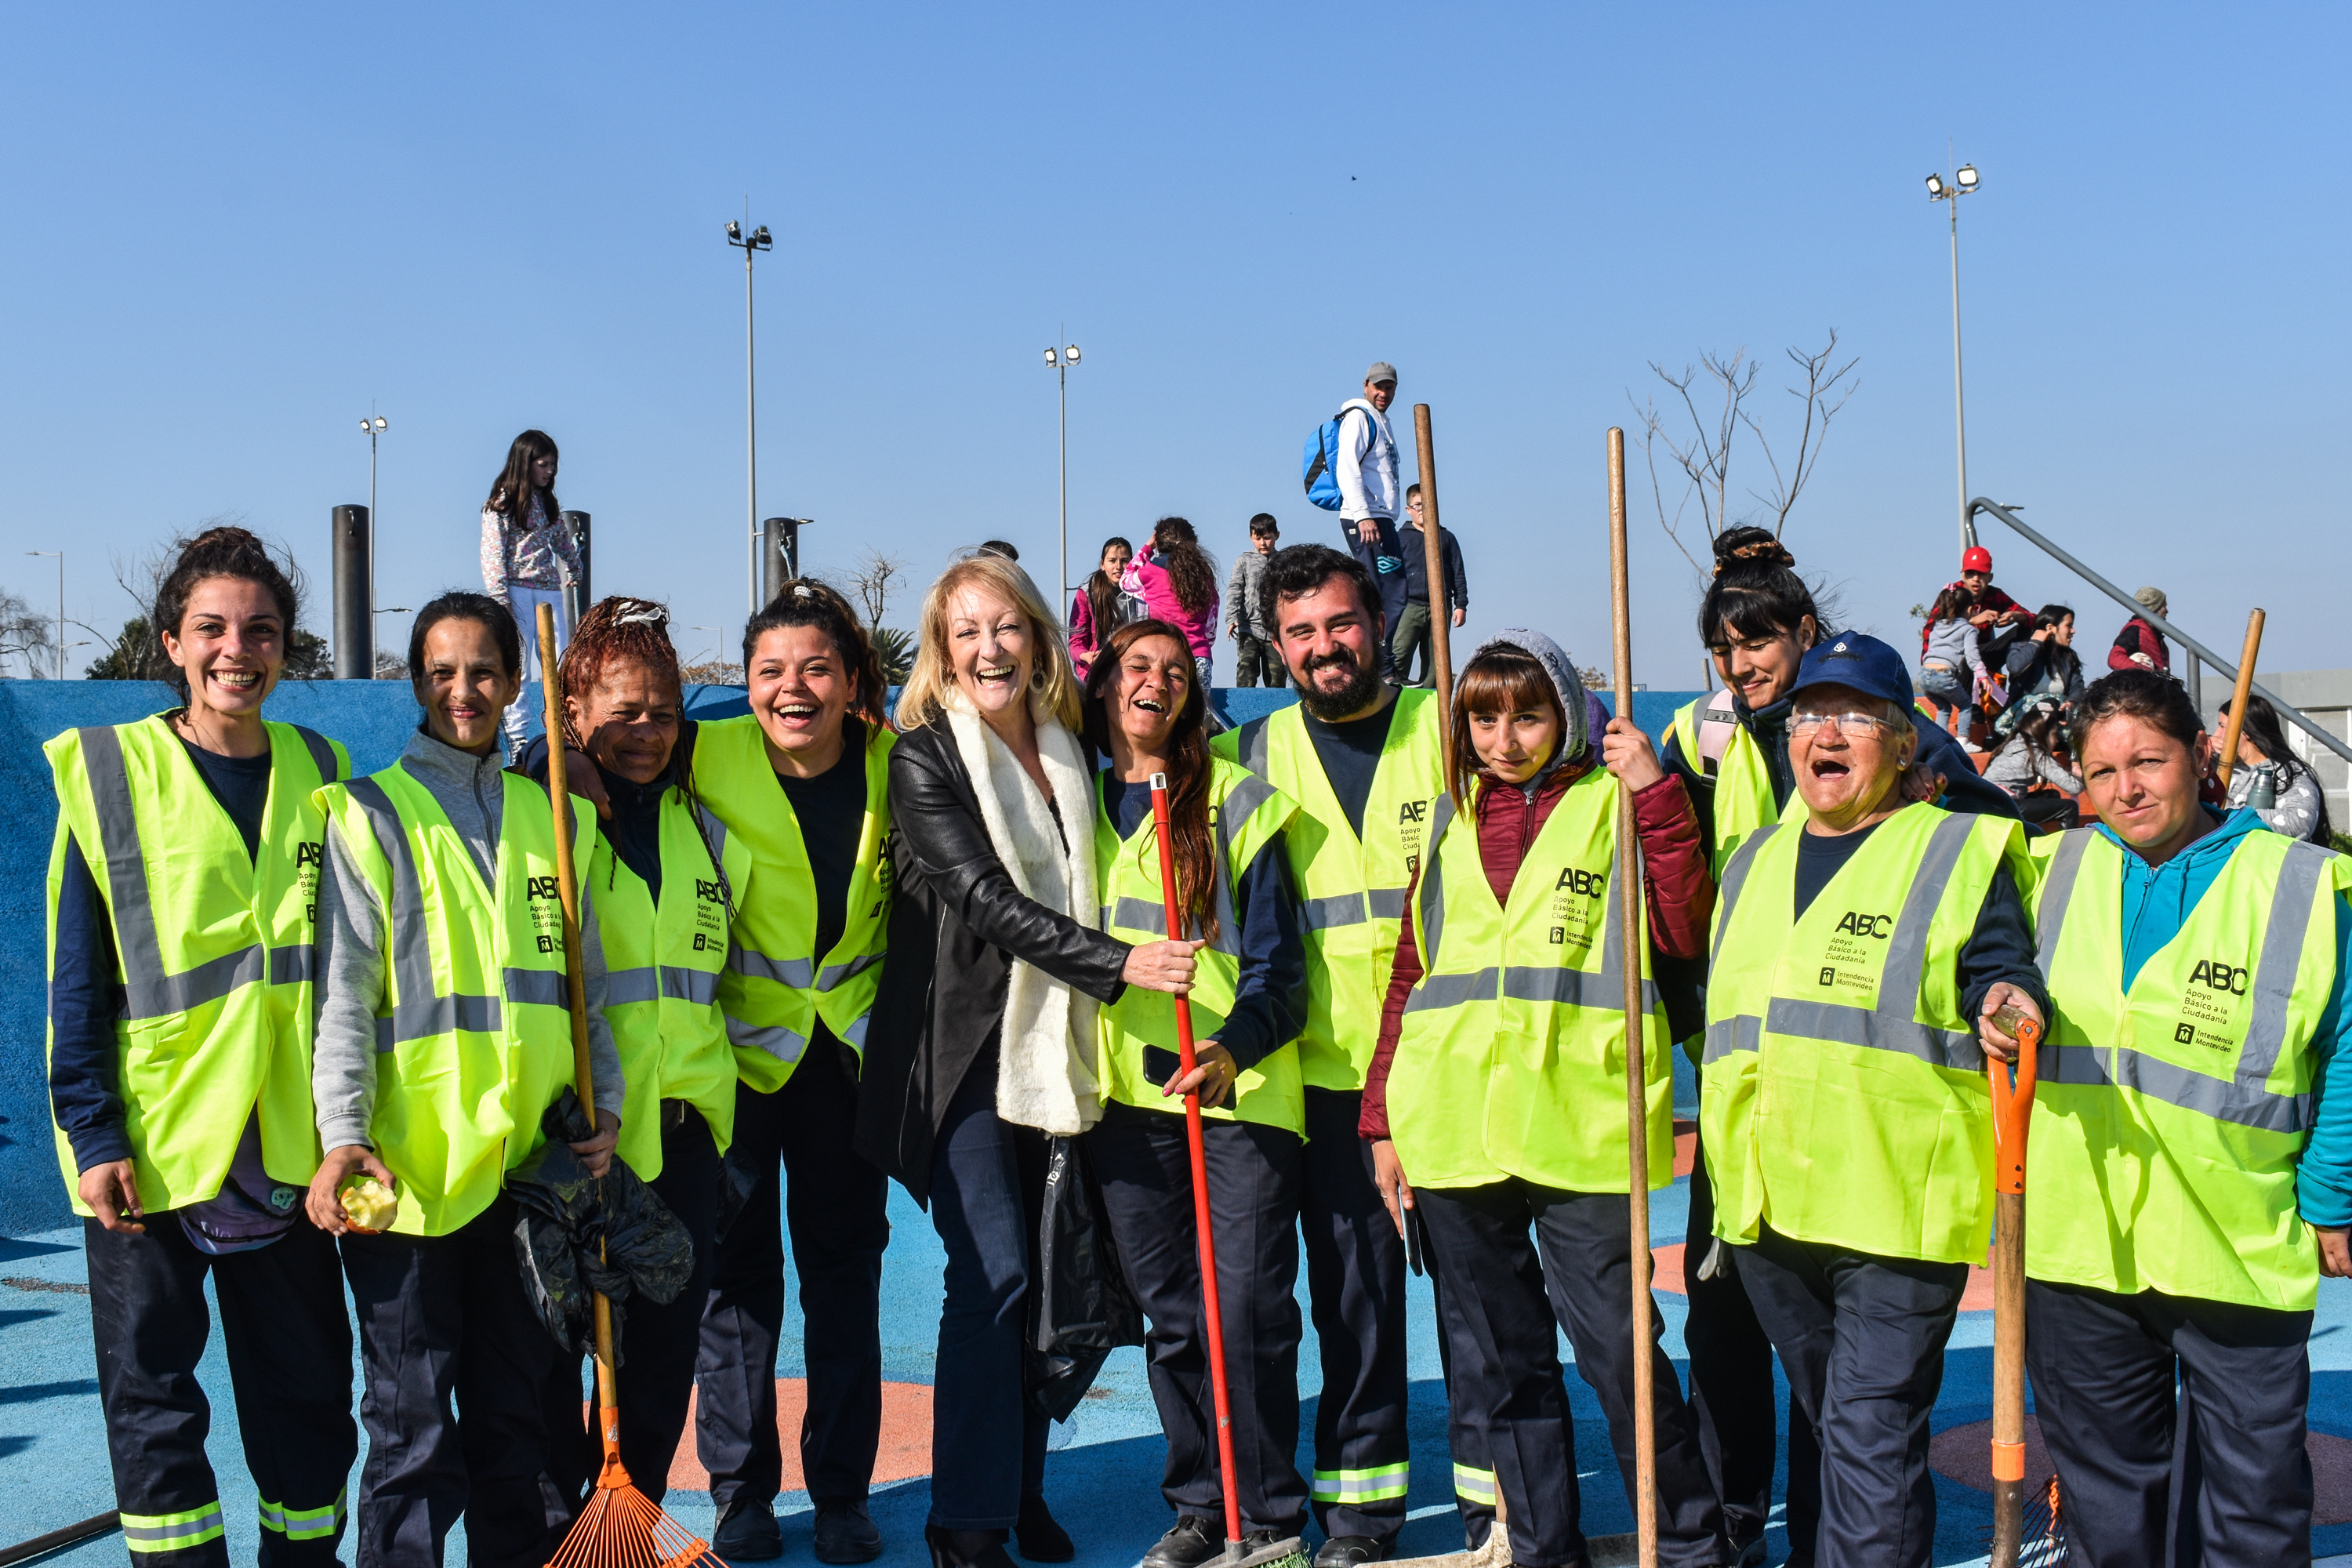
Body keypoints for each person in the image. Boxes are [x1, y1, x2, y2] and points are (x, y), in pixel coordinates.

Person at [1659, 529, 2017, 1562]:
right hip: (1761, 1170)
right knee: (1806, 1398)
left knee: (1863, 1426)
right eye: (1726, 647)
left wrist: (2004, 993)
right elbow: (1695, 938)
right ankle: (1762, 1532)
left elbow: (1990, 921)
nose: (1745, 663)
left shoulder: (1939, 814)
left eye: (1853, 716)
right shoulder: (1729, 802)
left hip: (1882, 1175)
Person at [855, 554, 1201, 1568]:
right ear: (941, 650)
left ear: (1039, 637)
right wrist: (1118, 962)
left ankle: (1018, 1488)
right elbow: (986, 901)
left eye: (1005, 626)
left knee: (1053, 1280)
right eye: (966, 632)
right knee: (996, 1273)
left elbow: (1170, 741)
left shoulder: (1069, 748)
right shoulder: (925, 758)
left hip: (1059, 1046)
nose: (988, 648)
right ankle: (964, 1524)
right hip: (959, 1054)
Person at [1363, 631, 1735, 1568]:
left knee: (1621, 1352)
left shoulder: (1615, 802)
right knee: (1503, 1363)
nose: (1504, 739)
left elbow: (1683, 928)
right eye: (1484, 719)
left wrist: (1656, 795)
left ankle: (1689, 1544)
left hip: (1584, 1121)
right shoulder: (1449, 820)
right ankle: (1543, 1549)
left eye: (1527, 715)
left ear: (1565, 714)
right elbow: (1411, 974)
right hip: (1452, 1123)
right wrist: (1381, 1120)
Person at [45, 526, 358, 1568]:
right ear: (172, 642)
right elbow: (77, 974)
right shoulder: (109, 772)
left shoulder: (323, 771)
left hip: (290, 1143)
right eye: (212, 628)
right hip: (156, 1137)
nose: (238, 650)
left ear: (286, 647)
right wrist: (93, 1134)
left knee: (308, 1397)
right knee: (155, 1406)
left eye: (261, 630)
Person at [307, 590, 626, 1568]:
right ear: (415, 683)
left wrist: (607, 1105)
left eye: (483, 670)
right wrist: (341, 1134)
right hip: (411, 1180)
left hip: (530, 1173)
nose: (463, 689)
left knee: (517, 1418)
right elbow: (343, 998)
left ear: (514, 681)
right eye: (442, 671)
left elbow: (588, 985)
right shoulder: (368, 813)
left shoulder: (556, 817)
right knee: (410, 1431)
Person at [2020, 670, 2352, 1567]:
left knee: (2252, 1508)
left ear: (2202, 755)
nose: (2126, 788)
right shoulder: (2046, 870)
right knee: (2109, 1511)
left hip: (2236, 1239)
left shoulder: (2301, 884)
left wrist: (2332, 1195)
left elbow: (2346, 1044)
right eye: (2101, 771)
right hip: (2078, 1243)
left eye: (2148, 761)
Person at [1212, 543, 1445, 1565]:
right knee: (1279, 1303)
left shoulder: (1446, 728)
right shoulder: (1246, 755)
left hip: (1412, 1073)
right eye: (1300, 631)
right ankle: (1300, 1516)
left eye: (1341, 623)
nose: (1323, 646)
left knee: (1386, 1300)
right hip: (1287, 1079)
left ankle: (1381, 1513)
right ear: (1275, 644)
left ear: (1379, 621)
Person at [515, 598, 756, 1530]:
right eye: (623, 711)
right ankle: (557, 1526)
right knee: (550, 1348)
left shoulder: (710, 832)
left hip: (682, 1133)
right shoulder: (541, 824)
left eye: (663, 711)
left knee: (660, 1357)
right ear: (574, 712)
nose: (646, 730)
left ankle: (628, 1520)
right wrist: (542, 762)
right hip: (570, 1134)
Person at [1083, 619, 1313, 1568]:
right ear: (1104, 683)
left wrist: (1230, 1046)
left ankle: (1270, 1519)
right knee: (1174, 1315)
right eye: (1138, 663)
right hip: (1127, 1102)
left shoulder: (1234, 801)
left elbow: (1281, 972)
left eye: (1177, 669)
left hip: (1238, 1093)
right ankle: (1199, 1508)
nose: (1157, 679)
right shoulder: (1070, 802)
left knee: (1247, 1309)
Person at [688, 581, 898, 1564]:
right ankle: (741, 1494)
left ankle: (844, 1493)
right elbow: (603, 750)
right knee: (736, 1281)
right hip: (736, 1059)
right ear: (746, 682)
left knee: (844, 1278)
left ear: (852, 679)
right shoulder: (704, 751)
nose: (793, 688)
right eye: (770, 670)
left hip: (847, 1063)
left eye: (817, 668)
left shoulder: (899, 765)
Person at [480, 429, 586, 750]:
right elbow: (492, 552)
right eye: (544, 464)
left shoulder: (547, 503)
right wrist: (500, 597)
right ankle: (517, 739)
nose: (550, 471)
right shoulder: (502, 504)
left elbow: (561, 540)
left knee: (560, 662)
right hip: (516, 592)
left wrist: (575, 567)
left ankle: (565, 728)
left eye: (553, 465)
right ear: (525, 463)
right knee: (520, 667)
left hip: (549, 590)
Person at [1334, 365, 1407, 680]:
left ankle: (1381, 664)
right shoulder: (1359, 417)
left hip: (1382, 517)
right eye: (1378, 387)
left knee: (1393, 592)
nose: (1383, 393)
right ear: (1365, 385)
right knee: (1383, 594)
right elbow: (1346, 467)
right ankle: (1378, 667)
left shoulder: (1381, 421)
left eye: (1389, 388)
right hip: (1367, 517)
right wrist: (1362, 515)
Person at [2218, 693, 2336, 844]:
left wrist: (2226, 816)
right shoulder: (2215, 766)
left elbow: (2299, 822)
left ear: (2246, 731)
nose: (2216, 734)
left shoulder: (2287, 772)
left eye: (2222, 727)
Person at [1121, 517, 1221, 688]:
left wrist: (1148, 547)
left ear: (1159, 543)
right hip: (1199, 657)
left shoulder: (1151, 571)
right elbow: (1211, 626)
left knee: (1167, 705)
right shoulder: (1204, 574)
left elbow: (1125, 581)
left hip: (1166, 658)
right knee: (1199, 705)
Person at [1390, 485, 1466, 688]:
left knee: (1436, 662)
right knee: (1399, 654)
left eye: (1428, 504)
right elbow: (1390, 575)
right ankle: (1395, 699)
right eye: (1418, 505)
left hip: (1440, 607)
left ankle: (1430, 701)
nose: (1423, 509)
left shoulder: (1447, 538)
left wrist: (1461, 605)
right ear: (1408, 510)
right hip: (1409, 606)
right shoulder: (1399, 538)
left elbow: (1458, 572)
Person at [1980, 698, 2082, 828]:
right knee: (2070, 808)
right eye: (2054, 735)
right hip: (2002, 807)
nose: (2056, 741)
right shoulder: (2036, 753)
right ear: (2043, 734)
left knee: (2052, 796)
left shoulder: (2013, 744)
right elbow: (2074, 787)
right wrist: (2080, 774)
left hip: (1989, 803)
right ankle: (2067, 842)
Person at [1918, 546, 2027, 666]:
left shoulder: (1995, 596)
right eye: (1971, 573)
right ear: (1963, 576)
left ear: (1990, 577)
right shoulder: (1953, 595)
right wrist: (1972, 621)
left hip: (1980, 656)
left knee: (2026, 630)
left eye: (1981, 574)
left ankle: (2018, 671)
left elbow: (2033, 618)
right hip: (1951, 659)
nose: (1976, 579)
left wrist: (2017, 616)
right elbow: (1930, 631)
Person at [1225, 514, 1283, 689]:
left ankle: (1276, 707)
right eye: (1258, 539)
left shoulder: (1284, 562)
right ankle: (1244, 707)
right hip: (1248, 628)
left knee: (1277, 677)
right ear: (1251, 537)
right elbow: (1234, 590)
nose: (1263, 543)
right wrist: (1231, 618)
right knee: (1247, 671)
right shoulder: (1244, 561)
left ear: (1276, 536)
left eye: (1267, 538)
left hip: (1275, 631)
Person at [1917, 584, 1984, 736]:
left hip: (1924, 676)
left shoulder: (1937, 626)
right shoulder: (1968, 629)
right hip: (1943, 675)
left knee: (1944, 708)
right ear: (1970, 610)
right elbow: (1972, 655)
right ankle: (1963, 740)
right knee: (1966, 705)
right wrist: (1982, 675)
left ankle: (1939, 739)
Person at [2000, 604, 2085, 713]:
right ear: (2050, 628)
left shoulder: (2068, 657)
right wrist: (2035, 643)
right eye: (2069, 626)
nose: (2073, 631)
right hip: (2025, 716)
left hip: (2057, 714)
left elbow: (2077, 687)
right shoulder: (2020, 647)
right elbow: (2015, 667)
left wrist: (2071, 702)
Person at [1070, 536, 1134, 677]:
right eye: (1112, 561)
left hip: (1131, 666)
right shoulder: (1087, 593)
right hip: (1096, 670)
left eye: (1124, 561)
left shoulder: (1141, 594)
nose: (1118, 566)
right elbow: (1076, 641)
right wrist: (1086, 656)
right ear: (1102, 564)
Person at [2109, 586, 2172, 674]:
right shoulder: (2134, 632)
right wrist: (2142, 669)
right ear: (2155, 607)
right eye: (2164, 606)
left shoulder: (2154, 634)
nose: (2166, 611)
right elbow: (2115, 659)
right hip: (2140, 682)